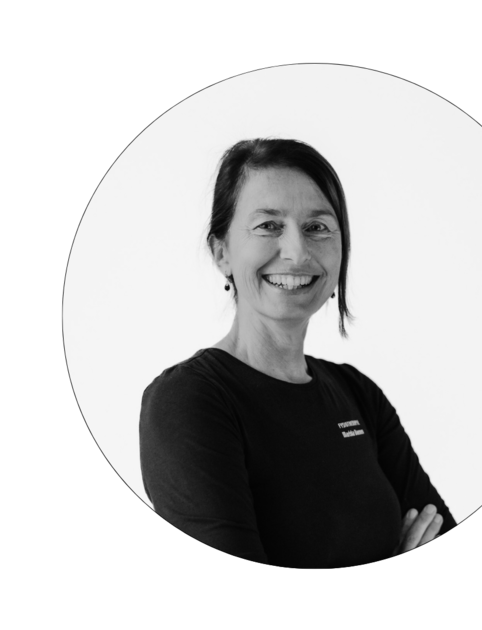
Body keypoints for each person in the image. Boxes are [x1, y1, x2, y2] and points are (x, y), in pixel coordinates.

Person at [139, 138, 457, 567]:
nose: (297, 252)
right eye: (269, 225)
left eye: (317, 227)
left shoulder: (358, 394)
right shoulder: (188, 402)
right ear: (221, 253)